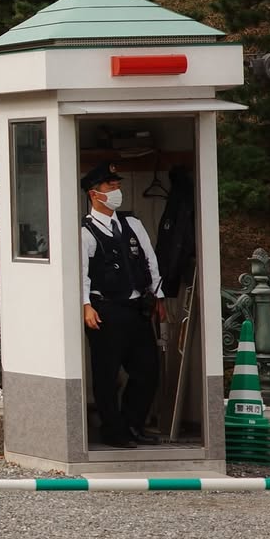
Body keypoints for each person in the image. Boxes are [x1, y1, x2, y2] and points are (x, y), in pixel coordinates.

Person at [80, 161, 167, 449]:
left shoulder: (132, 223)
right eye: (110, 186)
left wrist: (159, 295)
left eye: (117, 185)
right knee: (107, 375)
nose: (116, 190)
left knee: (147, 370)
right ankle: (113, 430)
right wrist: (85, 305)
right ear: (95, 194)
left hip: (136, 308)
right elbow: (81, 272)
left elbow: (150, 259)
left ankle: (133, 424)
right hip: (106, 309)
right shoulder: (86, 231)